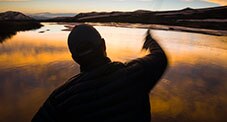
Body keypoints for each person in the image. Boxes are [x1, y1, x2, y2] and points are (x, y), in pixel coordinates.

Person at [32, 24, 168, 122]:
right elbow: (160, 56)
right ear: (103, 45)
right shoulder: (136, 74)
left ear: (74, 58)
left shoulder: (59, 100)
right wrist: (150, 41)